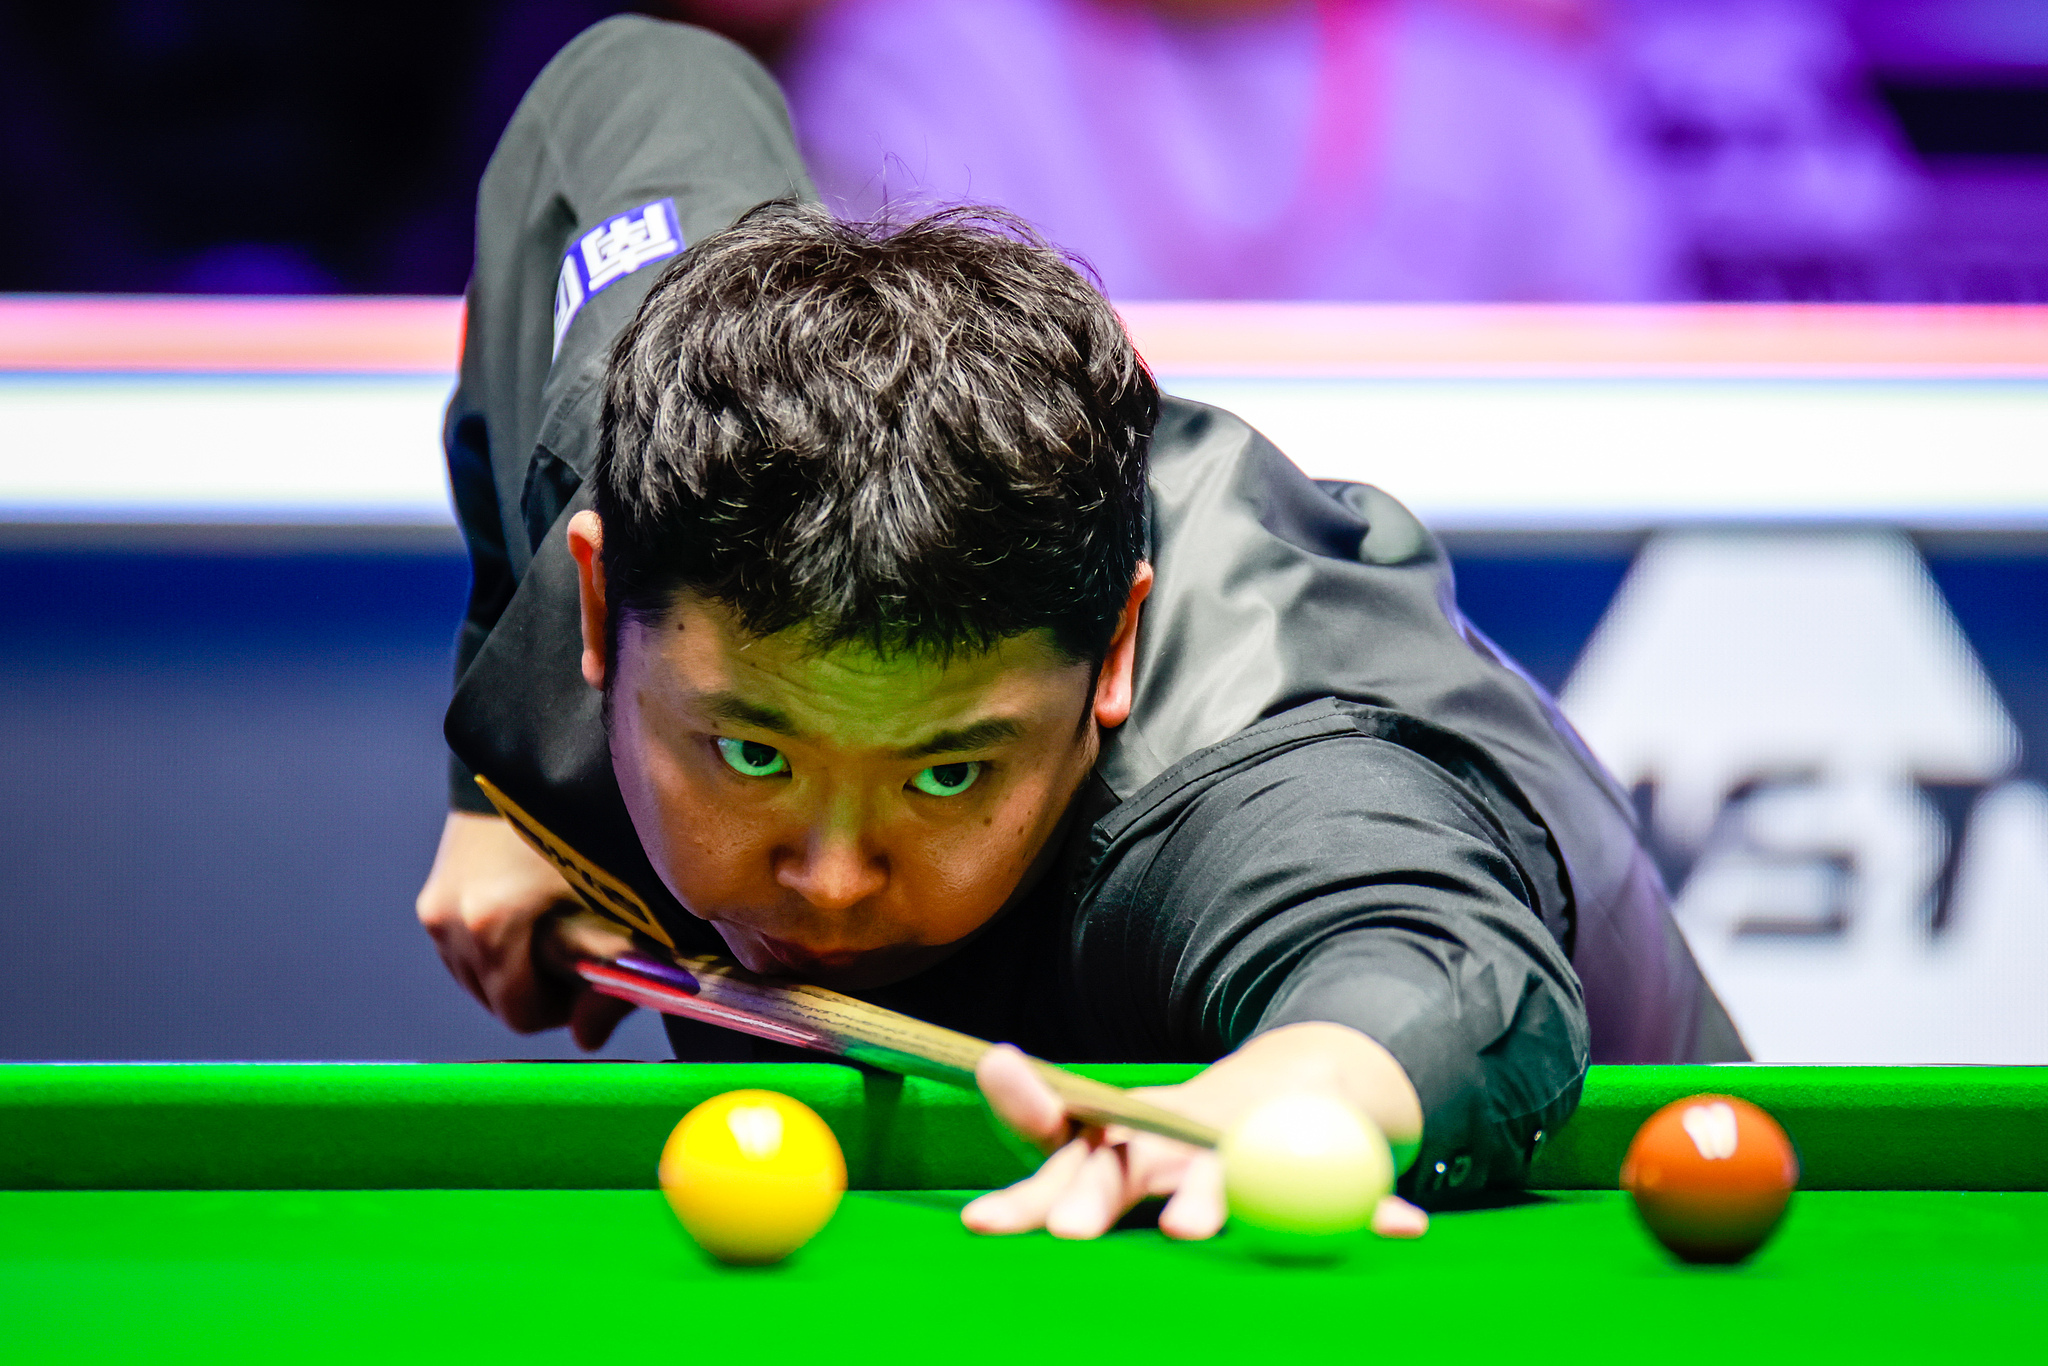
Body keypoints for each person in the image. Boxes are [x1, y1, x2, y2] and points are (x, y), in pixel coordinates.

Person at [416, 14, 1743, 1243]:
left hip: (1584, 1229)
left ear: (1113, 655)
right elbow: (629, 88)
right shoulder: (652, 426)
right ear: (599, 604)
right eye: (753, 753)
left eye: (948, 772)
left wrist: (1307, 1087)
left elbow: (1426, 945)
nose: (828, 878)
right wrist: (500, 798)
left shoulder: (1234, 770)